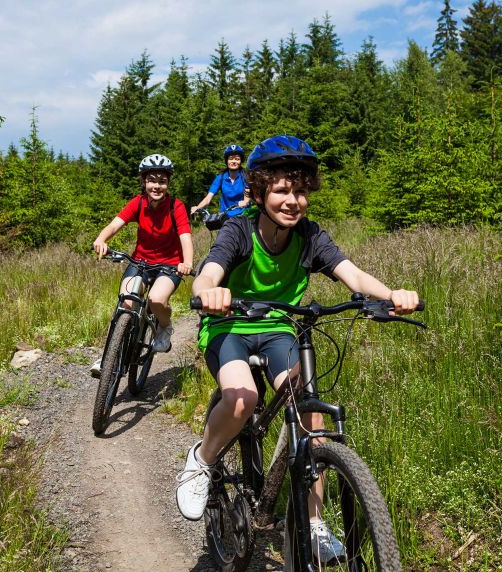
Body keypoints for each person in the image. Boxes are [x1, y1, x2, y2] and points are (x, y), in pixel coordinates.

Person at [176, 135, 419, 565]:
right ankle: (202, 459)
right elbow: (209, 271)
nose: (293, 201)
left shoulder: (309, 236)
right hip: (229, 325)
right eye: (282, 190)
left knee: (311, 411)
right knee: (242, 398)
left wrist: (391, 294)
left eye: (301, 191)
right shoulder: (240, 229)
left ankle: (314, 523)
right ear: (259, 192)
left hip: (278, 328)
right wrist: (209, 291)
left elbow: (352, 275)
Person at [89, 154, 193, 377]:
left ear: (168, 183)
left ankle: (164, 326)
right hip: (140, 262)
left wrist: (187, 263)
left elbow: (185, 236)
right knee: (126, 303)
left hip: (169, 265)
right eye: (152, 180)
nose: (157, 186)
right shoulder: (138, 203)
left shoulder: (176, 206)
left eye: (162, 181)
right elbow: (115, 225)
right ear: (144, 181)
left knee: (156, 300)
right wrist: (101, 239)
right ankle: (108, 357)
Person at [190, 144, 250, 218]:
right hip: (226, 217)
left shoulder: (245, 176)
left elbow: (247, 198)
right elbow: (208, 198)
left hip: (243, 215)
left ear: (241, 161)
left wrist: (245, 202)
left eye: (237, 159)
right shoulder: (220, 178)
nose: (234, 161)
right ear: (226, 161)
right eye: (231, 159)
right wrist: (197, 207)